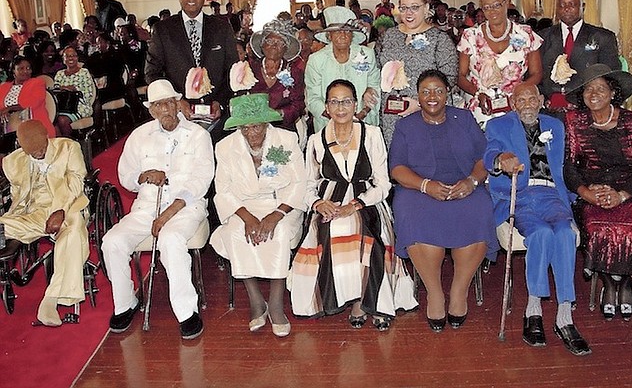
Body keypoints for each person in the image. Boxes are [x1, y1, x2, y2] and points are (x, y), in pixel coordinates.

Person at [291, 79, 417, 330]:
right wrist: (317, 203)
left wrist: (357, 203)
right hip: (329, 199)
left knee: (369, 234)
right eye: (334, 102)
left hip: (367, 197)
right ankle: (353, 298)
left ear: (355, 103)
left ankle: (375, 301)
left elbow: (383, 184)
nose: (340, 108)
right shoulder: (317, 140)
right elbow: (306, 185)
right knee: (329, 230)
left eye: (346, 101)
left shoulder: (371, 134)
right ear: (326, 107)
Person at [484, 82, 591, 356]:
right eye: (521, 99)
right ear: (512, 102)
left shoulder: (555, 126)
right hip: (519, 194)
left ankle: (564, 315)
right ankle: (533, 309)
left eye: (532, 98)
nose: (527, 104)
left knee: (566, 233)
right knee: (541, 233)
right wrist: (500, 160)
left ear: (542, 100)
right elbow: (488, 156)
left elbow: (564, 167)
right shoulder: (498, 125)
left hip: (553, 195)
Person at [101, 79, 214, 339]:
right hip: (146, 207)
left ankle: (187, 312)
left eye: (168, 103)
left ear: (177, 104)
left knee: (171, 238)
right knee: (112, 242)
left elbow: (202, 180)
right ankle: (125, 303)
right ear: (151, 110)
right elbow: (124, 175)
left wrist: (169, 212)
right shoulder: (139, 136)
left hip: (186, 206)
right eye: (158, 105)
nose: (164, 109)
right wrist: (142, 176)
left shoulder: (198, 135)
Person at [389, 69, 497, 332]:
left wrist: (471, 182)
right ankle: (435, 293)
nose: (432, 96)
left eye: (438, 90)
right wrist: (426, 186)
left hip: (464, 186)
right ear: (418, 96)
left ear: (448, 93)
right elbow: (397, 169)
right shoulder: (405, 125)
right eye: (425, 91)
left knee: (481, 209)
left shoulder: (465, 119)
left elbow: (485, 157)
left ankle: (459, 291)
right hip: (418, 190)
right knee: (411, 213)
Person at [564, 64, 632, 322]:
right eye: (588, 89)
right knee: (597, 227)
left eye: (600, 88)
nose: (593, 93)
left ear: (612, 92)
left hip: (630, 193)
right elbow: (569, 167)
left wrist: (622, 194)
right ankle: (609, 283)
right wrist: (586, 193)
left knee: (629, 228)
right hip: (592, 194)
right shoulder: (575, 123)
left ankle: (624, 284)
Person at [210, 93, 306, 337]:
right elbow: (223, 189)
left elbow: (299, 183)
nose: (251, 133)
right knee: (235, 234)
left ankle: (275, 303)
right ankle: (256, 300)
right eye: (245, 127)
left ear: (266, 123)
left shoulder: (286, 139)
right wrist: (247, 218)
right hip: (242, 207)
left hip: (281, 205)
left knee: (280, 232)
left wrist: (276, 214)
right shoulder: (225, 146)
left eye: (256, 126)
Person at [0, 120, 89, 326]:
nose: (38, 154)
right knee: (5, 223)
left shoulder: (68, 148)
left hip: (68, 207)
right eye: (32, 152)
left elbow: (76, 181)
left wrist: (60, 210)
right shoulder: (13, 161)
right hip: (34, 214)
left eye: (40, 149)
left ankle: (51, 299)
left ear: (47, 138)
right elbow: (15, 195)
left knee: (74, 232)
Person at [145, 0, 238, 143]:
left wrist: (220, 101)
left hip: (216, 113)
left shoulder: (222, 27)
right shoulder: (163, 29)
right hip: (178, 114)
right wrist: (176, 100)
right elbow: (152, 73)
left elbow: (232, 70)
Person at [378, 0, 458, 145]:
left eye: (415, 7)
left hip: (427, 113)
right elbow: (379, 70)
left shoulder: (439, 40)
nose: (408, 13)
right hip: (391, 116)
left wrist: (421, 104)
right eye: (404, 8)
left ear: (426, 8)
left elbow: (449, 82)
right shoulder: (389, 36)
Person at [457, 0, 542, 127]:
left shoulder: (525, 34)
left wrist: (519, 95)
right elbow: (460, 76)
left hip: (517, 106)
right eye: (487, 7)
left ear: (506, 3)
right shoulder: (470, 36)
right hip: (482, 105)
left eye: (496, 5)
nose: (492, 11)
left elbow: (537, 73)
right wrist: (478, 94)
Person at [540, 0, 621, 112]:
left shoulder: (603, 37)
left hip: (587, 108)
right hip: (549, 108)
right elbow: (535, 74)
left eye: (571, 4)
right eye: (562, 5)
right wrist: (545, 100)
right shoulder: (543, 37)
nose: (566, 8)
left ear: (583, 6)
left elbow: (610, 75)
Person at [305, 6, 381, 133]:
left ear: (352, 35)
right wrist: (338, 118)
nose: (343, 35)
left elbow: (375, 86)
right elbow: (313, 98)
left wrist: (362, 113)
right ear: (329, 35)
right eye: (337, 31)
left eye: (347, 31)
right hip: (328, 124)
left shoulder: (367, 55)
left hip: (363, 120)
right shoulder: (316, 60)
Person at [245, 19, 305, 132]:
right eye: (270, 41)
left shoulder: (295, 72)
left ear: (286, 49)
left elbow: (299, 105)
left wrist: (279, 113)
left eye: (280, 43)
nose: (274, 45)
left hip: (284, 129)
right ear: (262, 45)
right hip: (252, 129)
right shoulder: (249, 69)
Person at [0, 56, 56, 152]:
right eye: (21, 68)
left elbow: (33, 102)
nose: (25, 71)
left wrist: (9, 108)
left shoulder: (37, 83)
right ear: (13, 71)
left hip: (33, 124)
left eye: (28, 68)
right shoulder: (4, 86)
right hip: (6, 125)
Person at [53, 46, 95, 137]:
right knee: (52, 120)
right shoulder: (59, 74)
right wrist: (64, 88)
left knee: (62, 120)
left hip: (79, 106)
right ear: (63, 59)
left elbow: (88, 94)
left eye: (73, 55)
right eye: (67, 56)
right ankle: (62, 145)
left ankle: (69, 144)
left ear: (77, 58)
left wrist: (75, 89)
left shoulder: (84, 72)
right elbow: (55, 90)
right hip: (62, 106)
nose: (71, 58)